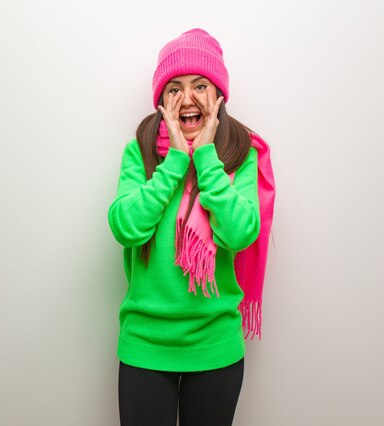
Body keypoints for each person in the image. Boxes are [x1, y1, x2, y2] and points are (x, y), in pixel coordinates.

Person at [107, 28, 276, 425]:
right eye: (175, 88)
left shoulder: (239, 153)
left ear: (218, 98)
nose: (187, 98)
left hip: (215, 346)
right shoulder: (140, 151)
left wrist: (206, 160)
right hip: (145, 345)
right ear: (161, 102)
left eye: (200, 85)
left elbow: (240, 232)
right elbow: (125, 227)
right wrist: (173, 166)